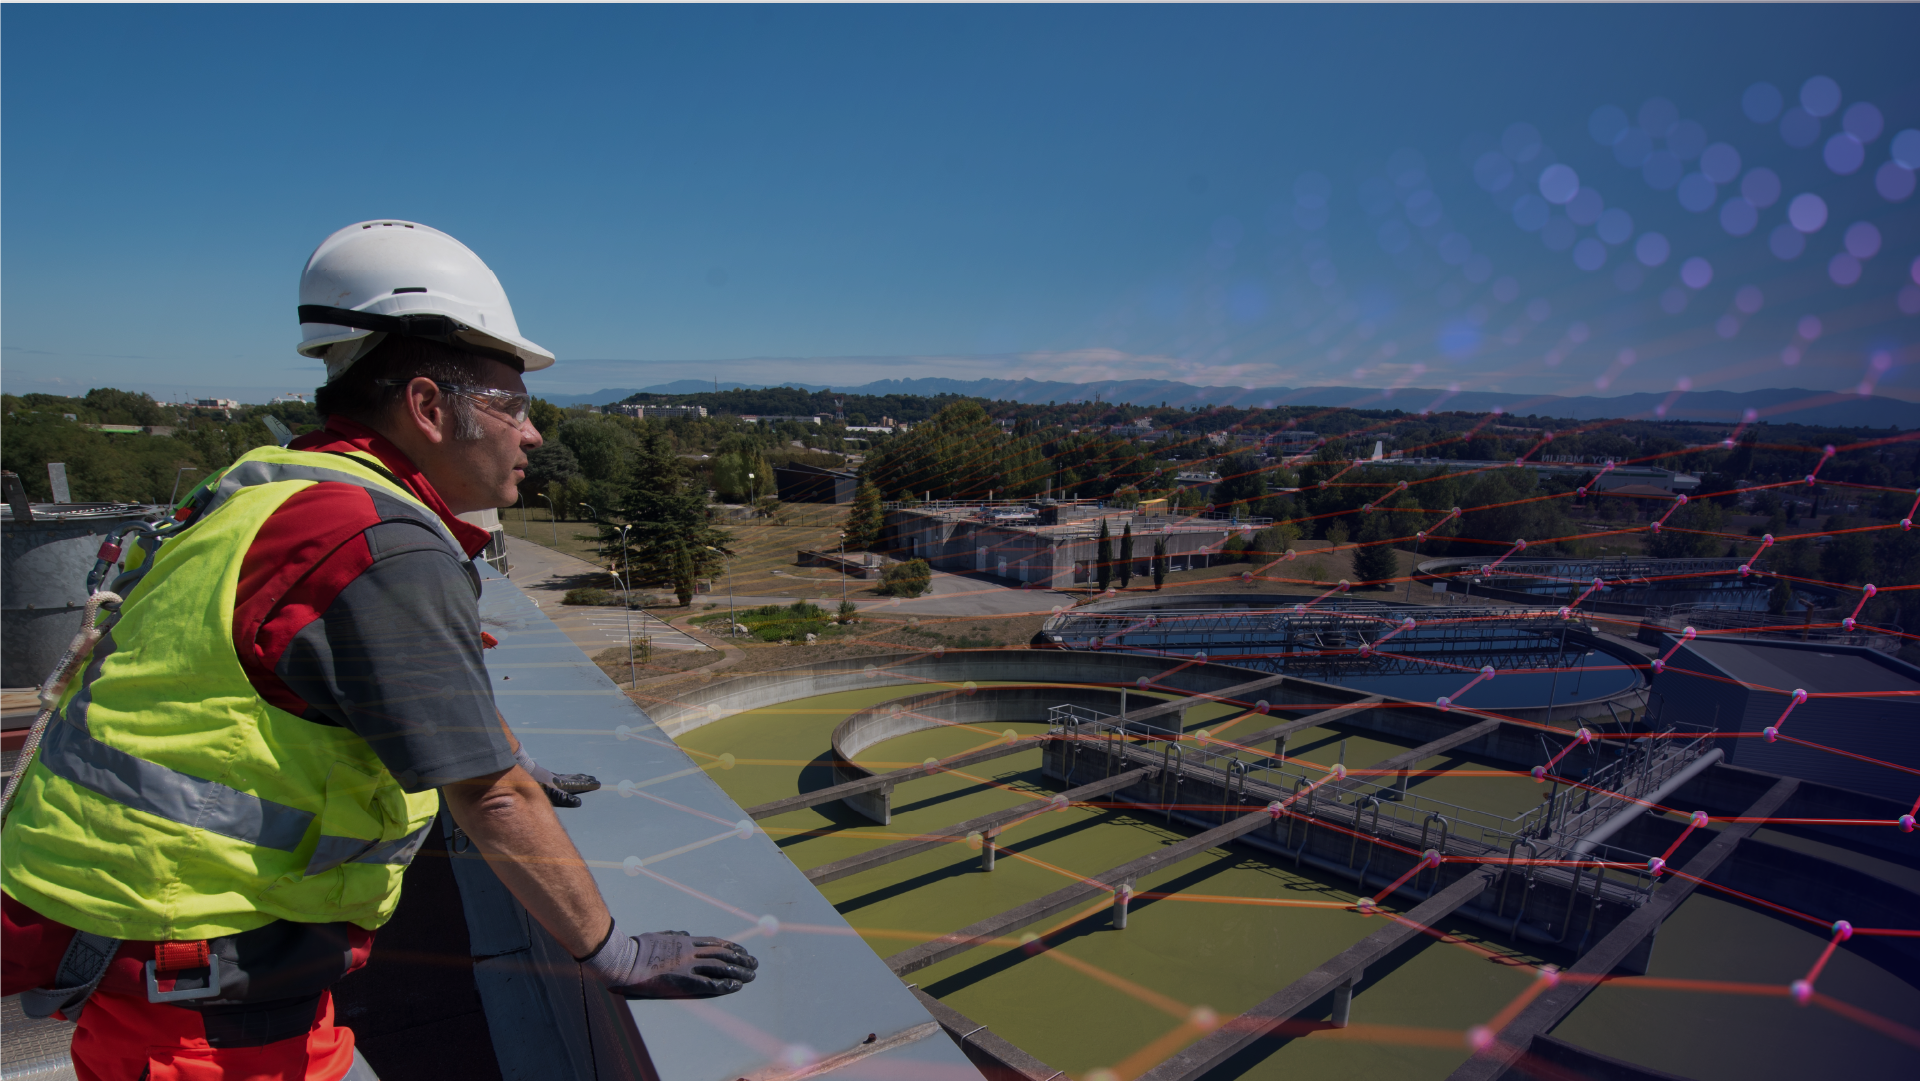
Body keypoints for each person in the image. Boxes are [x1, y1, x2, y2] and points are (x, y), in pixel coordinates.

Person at [0, 221, 756, 1080]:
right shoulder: (373, 540)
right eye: (513, 403)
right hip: (202, 977)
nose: (534, 433)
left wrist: (480, 737)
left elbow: (335, 677)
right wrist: (611, 949)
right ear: (430, 408)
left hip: (134, 925)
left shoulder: (273, 489)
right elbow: (492, 799)